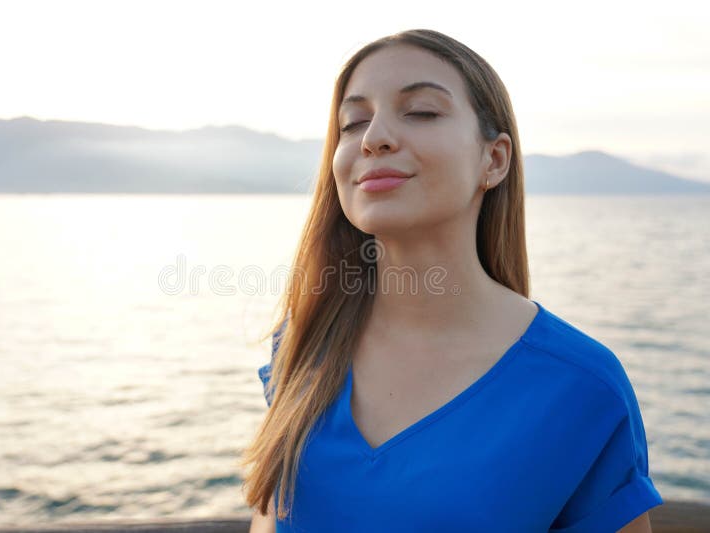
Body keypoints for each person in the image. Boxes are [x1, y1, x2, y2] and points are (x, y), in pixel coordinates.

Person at [239, 28, 663, 532]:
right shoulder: (305, 340)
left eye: (420, 111)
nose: (374, 137)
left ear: (494, 159)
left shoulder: (583, 388)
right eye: (353, 123)